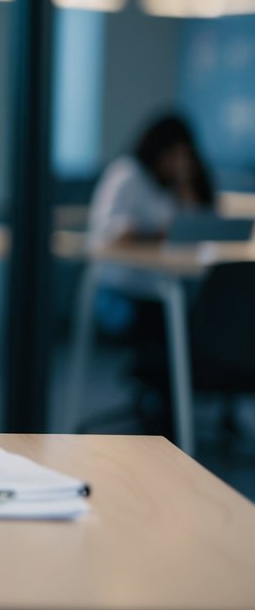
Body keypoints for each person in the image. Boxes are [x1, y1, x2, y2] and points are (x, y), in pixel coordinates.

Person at [86, 112, 215, 431]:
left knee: (205, 319)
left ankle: (170, 413)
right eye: (173, 155)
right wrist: (151, 233)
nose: (177, 162)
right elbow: (105, 230)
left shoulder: (180, 184)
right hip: (124, 289)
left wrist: (185, 184)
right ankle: (166, 415)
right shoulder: (127, 174)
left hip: (170, 287)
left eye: (185, 156)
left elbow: (198, 228)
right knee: (169, 328)